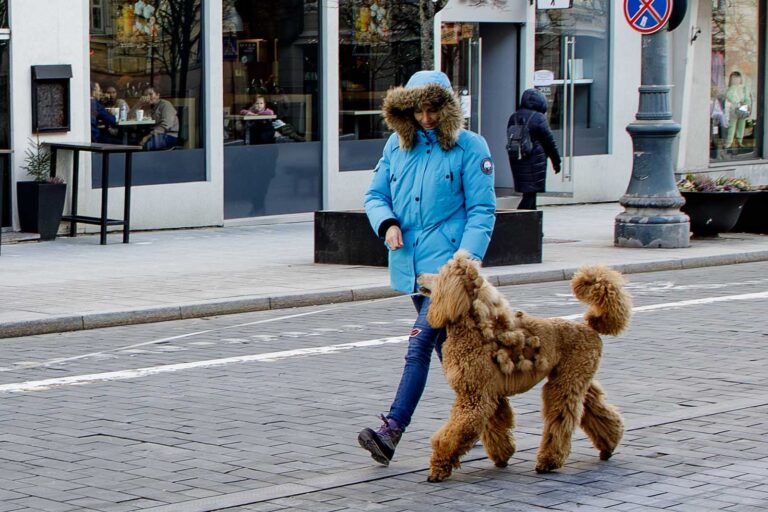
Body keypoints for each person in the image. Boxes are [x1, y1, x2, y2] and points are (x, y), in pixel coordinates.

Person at [359, 70, 497, 466]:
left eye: (434, 109)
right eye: (418, 110)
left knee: (419, 343)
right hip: (411, 269)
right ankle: (489, 420)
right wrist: (387, 224)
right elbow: (375, 194)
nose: (426, 118)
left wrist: (464, 264)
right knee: (448, 352)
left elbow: (483, 210)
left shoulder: (470, 147)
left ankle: (391, 431)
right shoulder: (396, 146)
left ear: (447, 107)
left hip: (448, 274)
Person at [506, 88, 561, 210]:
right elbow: (550, 142)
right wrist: (556, 162)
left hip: (518, 160)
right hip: (535, 162)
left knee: (530, 194)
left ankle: (533, 226)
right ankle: (518, 222)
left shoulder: (514, 117)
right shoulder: (538, 118)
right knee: (529, 196)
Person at [133, 85, 179, 150]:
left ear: (158, 95)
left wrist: (147, 137)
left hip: (167, 135)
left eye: (150, 94)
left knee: (146, 146)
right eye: (145, 95)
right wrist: (139, 104)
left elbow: (166, 125)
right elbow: (130, 117)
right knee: (132, 142)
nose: (148, 97)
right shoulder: (146, 106)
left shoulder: (165, 105)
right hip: (152, 134)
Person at [724, 71, 751, 151]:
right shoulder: (731, 88)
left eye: (738, 78)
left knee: (741, 124)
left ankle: (739, 141)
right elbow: (728, 95)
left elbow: (747, 97)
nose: (736, 80)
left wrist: (747, 104)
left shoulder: (743, 87)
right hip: (734, 107)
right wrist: (737, 102)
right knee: (732, 124)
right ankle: (729, 142)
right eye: (734, 79)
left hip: (742, 106)